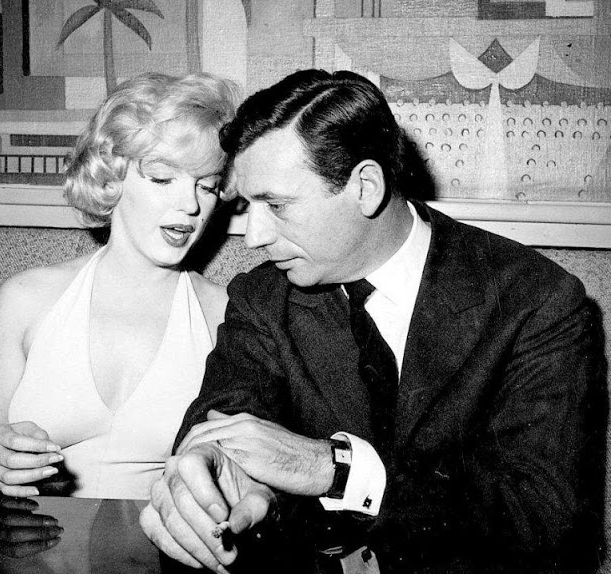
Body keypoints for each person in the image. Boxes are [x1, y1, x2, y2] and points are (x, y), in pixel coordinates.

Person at [140, 69, 607, 573]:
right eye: (247, 206)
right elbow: (224, 416)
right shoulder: (262, 297)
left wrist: (337, 470)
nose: (253, 237)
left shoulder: (535, 301)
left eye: (276, 205)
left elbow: (545, 519)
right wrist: (213, 475)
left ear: (365, 186)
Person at [0, 72, 240, 500]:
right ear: (111, 177)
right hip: (27, 538)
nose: (190, 205)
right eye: (162, 178)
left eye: (206, 186)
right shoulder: (25, 299)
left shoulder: (226, 314)